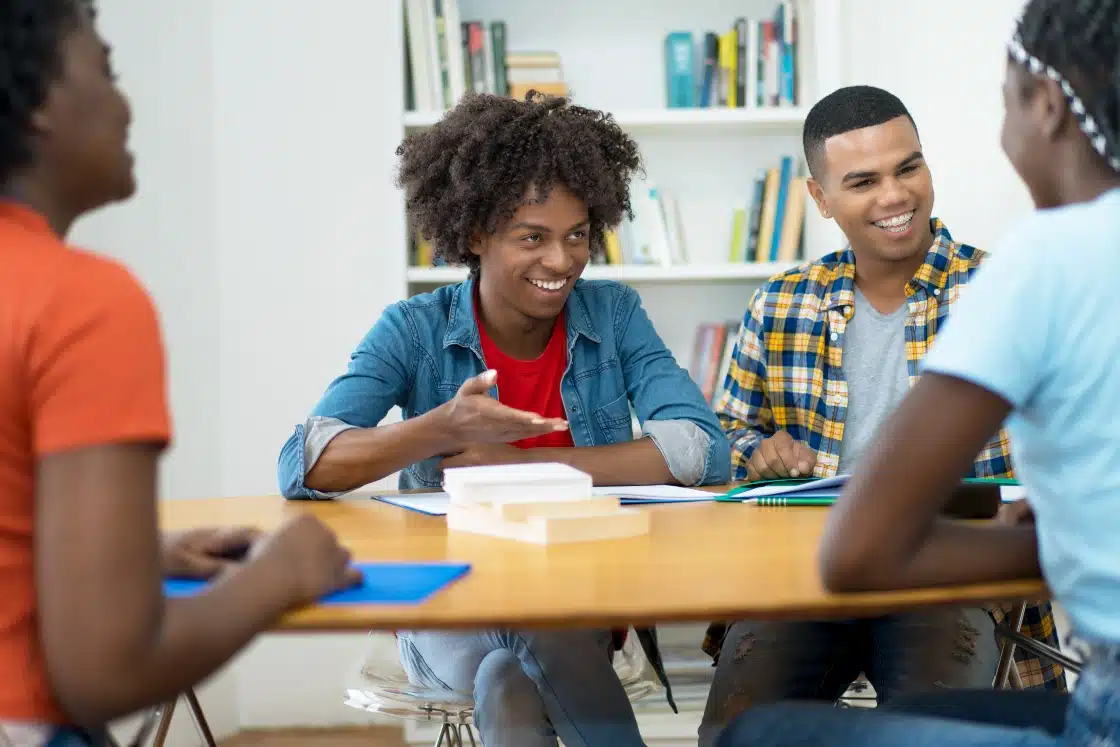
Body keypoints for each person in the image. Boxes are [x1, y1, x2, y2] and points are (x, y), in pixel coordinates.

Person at [716, 0, 1120, 744]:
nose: (896, 195)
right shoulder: (782, 302)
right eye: (863, 181)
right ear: (821, 199)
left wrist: (1059, 531)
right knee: (736, 714)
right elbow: (728, 437)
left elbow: (862, 549)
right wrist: (756, 450)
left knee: (799, 730)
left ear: (1048, 107)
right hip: (800, 572)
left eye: (909, 167)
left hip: (944, 577)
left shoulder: (1007, 279)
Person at [278, 90, 731, 747]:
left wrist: (527, 465)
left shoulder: (613, 314)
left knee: (510, 675)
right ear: (474, 233)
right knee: (526, 636)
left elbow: (699, 447)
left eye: (578, 235)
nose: (563, 260)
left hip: (583, 598)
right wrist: (441, 429)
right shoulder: (413, 330)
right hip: (453, 606)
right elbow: (307, 463)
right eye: (533, 237)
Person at [0, 3, 361, 745]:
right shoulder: (83, 301)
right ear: (36, 103)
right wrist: (280, 574)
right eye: (106, 69)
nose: (127, 103)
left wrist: (134, 557)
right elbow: (105, 666)